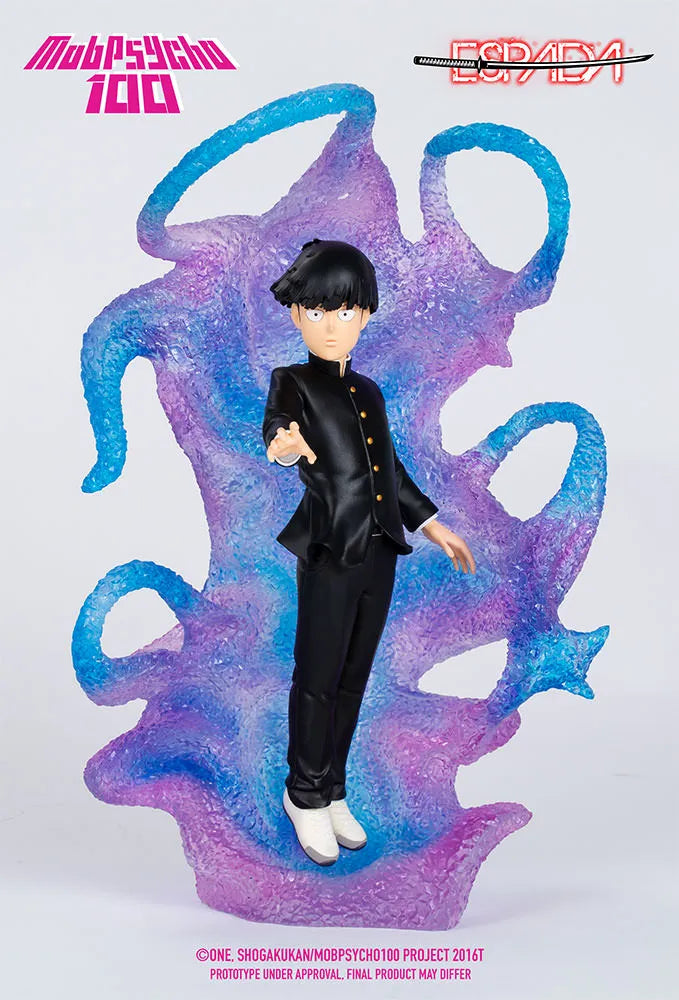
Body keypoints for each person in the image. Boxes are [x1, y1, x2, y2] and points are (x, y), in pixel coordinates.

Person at [263, 239, 475, 865]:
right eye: (317, 312)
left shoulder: (370, 392)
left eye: (346, 312)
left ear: (365, 316)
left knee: (354, 677)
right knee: (318, 676)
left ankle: (332, 788)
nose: (332, 326)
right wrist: (285, 447)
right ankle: (302, 792)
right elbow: (275, 429)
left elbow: (390, 471)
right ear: (297, 315)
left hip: (380, 548)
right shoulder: (293, 382)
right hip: (330, 547)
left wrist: (432, 524)